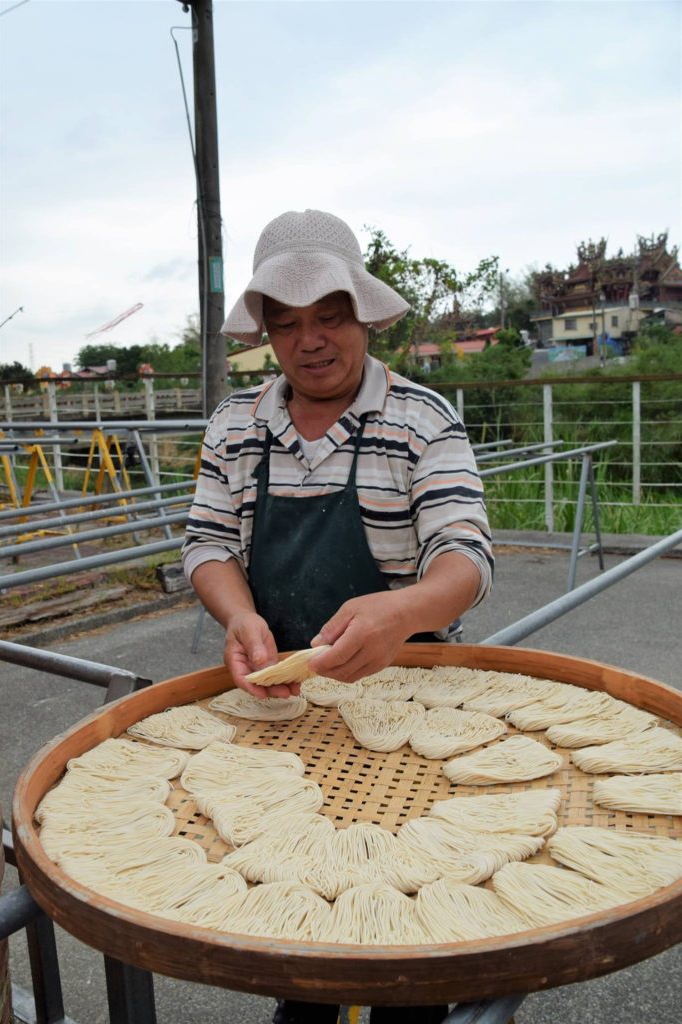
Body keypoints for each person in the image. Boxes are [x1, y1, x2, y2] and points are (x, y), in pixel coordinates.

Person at [182, 209, 494, 1024]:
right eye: (286, 325)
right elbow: (208, 544)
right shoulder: (234, 427)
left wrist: (403, 612)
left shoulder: (421, 418)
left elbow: (465, 556)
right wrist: (240, 616)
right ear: (267, 335)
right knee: (298, 916)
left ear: (362, 314)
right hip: (282, 706)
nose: (310, 341)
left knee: (408, 916)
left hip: (411, 701)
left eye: (329, 317)